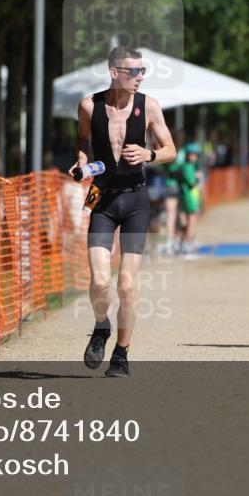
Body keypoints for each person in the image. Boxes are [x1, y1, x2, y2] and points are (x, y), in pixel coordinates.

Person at [70, 46, 176, 378]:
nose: (140, 77)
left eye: (143, 71)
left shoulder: (150, 107)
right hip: (102, 200)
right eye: (134, 72)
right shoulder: (89, 106)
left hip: (135, 201)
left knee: (126, 284)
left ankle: (122, 353)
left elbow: (170, 148)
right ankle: (102, 327)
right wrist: (82, 163)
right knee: (100, 280)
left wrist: (149, 155)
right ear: (114, 72)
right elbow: (83, 143)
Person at [177, 143, 203, 255]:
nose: (196, 157)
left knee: (189, 221)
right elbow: (192, 182)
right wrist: (198, 177)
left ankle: (187, 242)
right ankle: (188, 245)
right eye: (194, 155)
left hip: (191, 197)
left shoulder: (190, 166)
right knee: (192, 221)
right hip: (190, 197)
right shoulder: (188, 167)